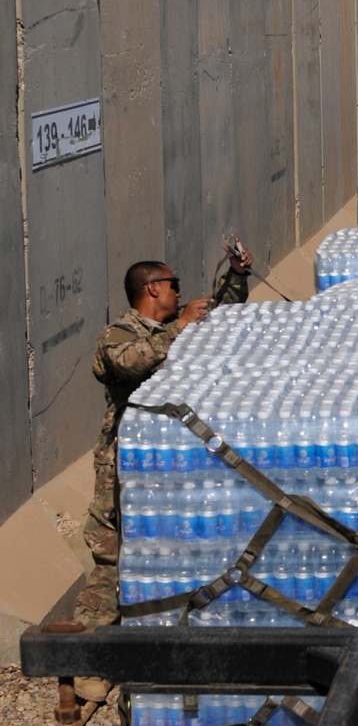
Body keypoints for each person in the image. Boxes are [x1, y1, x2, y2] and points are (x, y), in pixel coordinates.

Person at [72, 246, 253, 700]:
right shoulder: (117, 334)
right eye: (173, 285)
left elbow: (221, 317)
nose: (178, 291)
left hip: (174, 460)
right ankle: (84, 661)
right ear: (152, 288)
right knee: (114, 555)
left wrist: (233, 277)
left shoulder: (175, 327)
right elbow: (130, 362)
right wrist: (183, 326)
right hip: (125, 464)